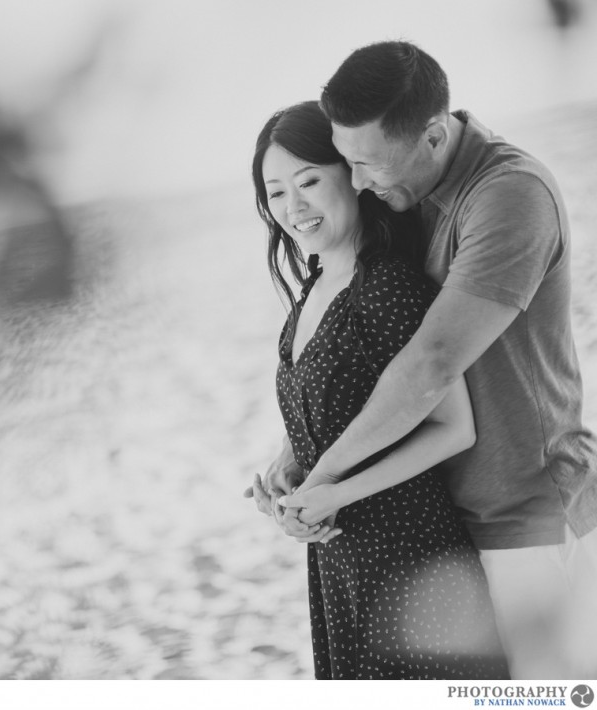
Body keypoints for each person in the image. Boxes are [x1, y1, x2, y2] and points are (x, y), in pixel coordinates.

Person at [254, 40, 597, 680]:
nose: (357, 182)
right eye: (346, 163)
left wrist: (323, 479)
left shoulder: (508, 195)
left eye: (367, 165)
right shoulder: (405, 191)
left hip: (528, 516)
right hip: (449, 521)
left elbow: (429, 364)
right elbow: (355, 354)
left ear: (434, 136)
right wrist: (294, 455)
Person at [249, 100, 508, 679]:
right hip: (341, 564)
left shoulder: (387, 286)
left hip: (412, 560)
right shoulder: (310, 295)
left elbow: (452, 429)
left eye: (310, 180)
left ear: (353, 175)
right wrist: (287, 473)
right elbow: (342, 417)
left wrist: (333, 493)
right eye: (276, 192)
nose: (295, 206)